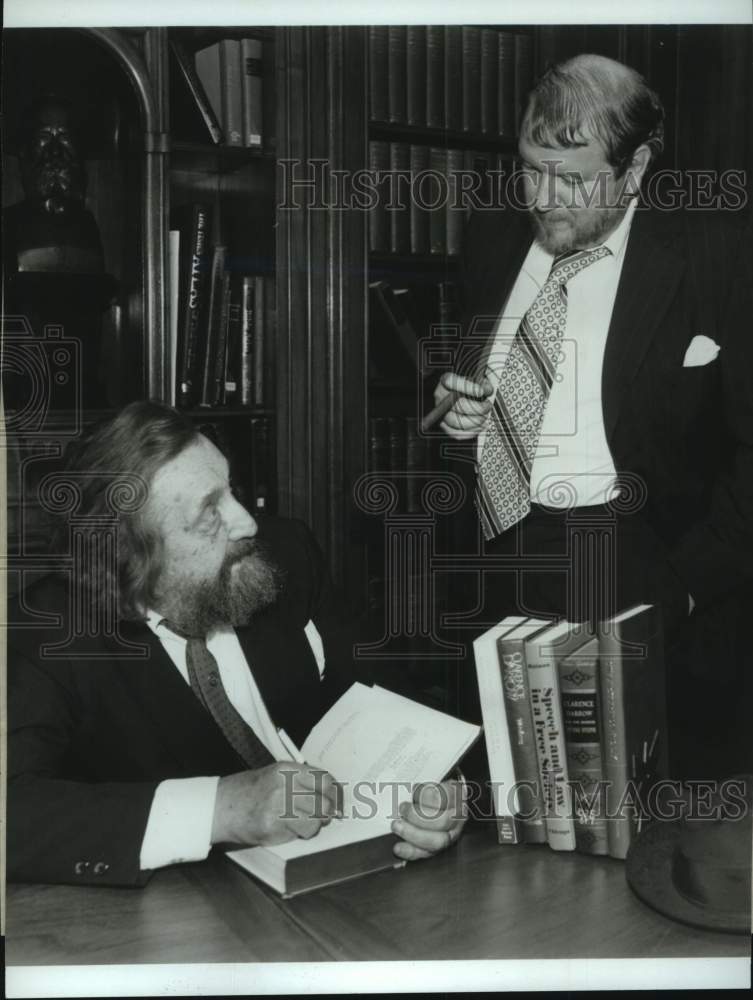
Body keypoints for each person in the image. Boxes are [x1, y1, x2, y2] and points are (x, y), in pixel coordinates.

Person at [433, 54, 753, 778]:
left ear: (634, 167)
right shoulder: (491, 234)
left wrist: (689, 584)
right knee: (515, 799)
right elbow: (477, 380)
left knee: (639, 811)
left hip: (642, 564)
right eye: (528, 169)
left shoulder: (719, 251)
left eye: (571, 178)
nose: (542, 198)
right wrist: (454, 414)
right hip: (500, 556)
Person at [7, 401, 466, 887]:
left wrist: (441, 785)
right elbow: (12, 813)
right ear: (129, 552)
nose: (247, 522)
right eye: (210, 511)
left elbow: (397, 701)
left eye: (232, 491)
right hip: (195, 907)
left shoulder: (285, 556)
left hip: (366, 877)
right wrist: (221, 809)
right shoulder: (46, 634)